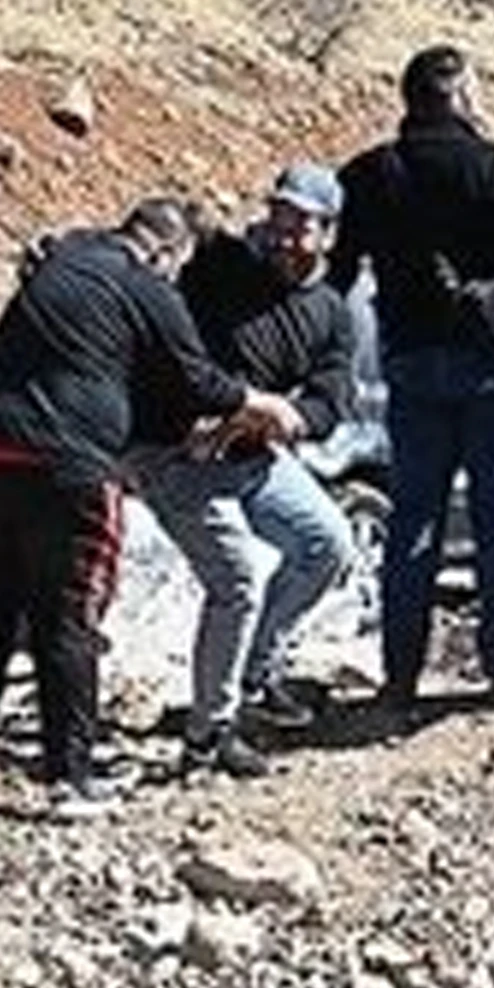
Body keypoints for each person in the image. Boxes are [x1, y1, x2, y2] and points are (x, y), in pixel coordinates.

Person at [0, 197, 302, 819]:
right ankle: (70, 777)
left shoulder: (65, 257)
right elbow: (197, 381)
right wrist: (258, 402)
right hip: (67, 465)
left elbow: (47, 245)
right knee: (67, 615)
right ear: (168, 252)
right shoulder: (147, 288)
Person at [330, 44, 494, 710]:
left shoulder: (371, 174)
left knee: (413, 522)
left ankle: (399, 675)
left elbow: (339, 278)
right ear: (459, 97)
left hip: (410, 366)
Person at [136, 165, 360, 778]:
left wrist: (277, 418)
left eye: (301, 226)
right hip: (178, 453)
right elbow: (172, 220)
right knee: (235, 579)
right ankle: (209, 734)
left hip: (252, 454)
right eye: (278, 219)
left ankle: (257, 672)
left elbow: (329, 402)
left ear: (329, 234)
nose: (284, 236)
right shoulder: (224, 264)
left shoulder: (331, 313)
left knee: (328, 544)